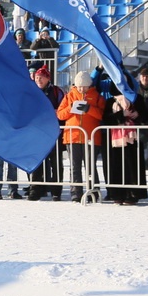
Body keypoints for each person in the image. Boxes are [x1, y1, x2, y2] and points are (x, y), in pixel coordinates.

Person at [56, 71, 105, 202]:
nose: (82, 89)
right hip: (72, 137)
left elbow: (102, 115)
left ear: (89, 86)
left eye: (84, 86)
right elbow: (60, 115)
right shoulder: (69, 96)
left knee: (90, 166)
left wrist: (89, 109)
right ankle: (76, 194)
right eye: (79, 86)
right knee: (74, 167)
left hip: (91, 137)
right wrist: (71, 108)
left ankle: (93, 193)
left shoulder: (97, 97)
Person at [27, 66, 65, 201]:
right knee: (37, 163)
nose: (39, 80)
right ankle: (36, 189)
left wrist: (55, 113)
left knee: (55, 164)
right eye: (37, 78)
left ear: (48, 78)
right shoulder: (31, 91)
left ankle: (56, 191)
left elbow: (63, 109)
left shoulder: (56, 91)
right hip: (37, 134)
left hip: (54, 133)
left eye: (41, 77)